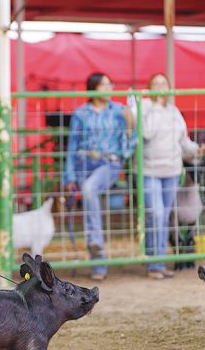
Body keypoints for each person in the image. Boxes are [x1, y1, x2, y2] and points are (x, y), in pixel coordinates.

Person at [64, 72, 136, 281]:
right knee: (88, 193)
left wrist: (130, 125)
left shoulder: (120, 111)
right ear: (93, 88)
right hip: (84, 163)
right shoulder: (80, 114)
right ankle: (98, 264)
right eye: (103, 84)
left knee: (89, 189)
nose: (108, 88)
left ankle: (95, 243)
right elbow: (72, 146)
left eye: (109, 84)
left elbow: (129, 145)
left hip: (109, 163)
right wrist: (68, 176)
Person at [141, 73, 205, 279]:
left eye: (163, 83)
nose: (160, 87)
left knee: (164, 216)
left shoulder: (175, 112)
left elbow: (183, 140)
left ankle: (158, 262)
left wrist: (196, 149)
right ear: (150, 88)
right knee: (157, 214)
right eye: (156, 84)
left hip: (171, 171)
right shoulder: (144, 108)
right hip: (150, 170)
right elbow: (146, 133)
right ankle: (155, 262)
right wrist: (154, 107)